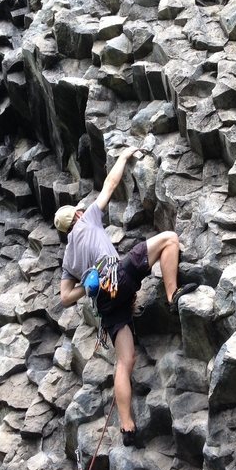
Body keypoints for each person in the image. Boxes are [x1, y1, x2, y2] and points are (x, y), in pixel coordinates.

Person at [54, 145, 197, 447]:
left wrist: (87, 285)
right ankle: (173, 296)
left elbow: (65, 298)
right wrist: (122, 157)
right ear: (77, 215)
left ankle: (127, 427)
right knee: (170, 239)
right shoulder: (88, 218)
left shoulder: (68, 257)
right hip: (119, 277)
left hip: (106, 304)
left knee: (124, 362)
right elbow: (111, 185)